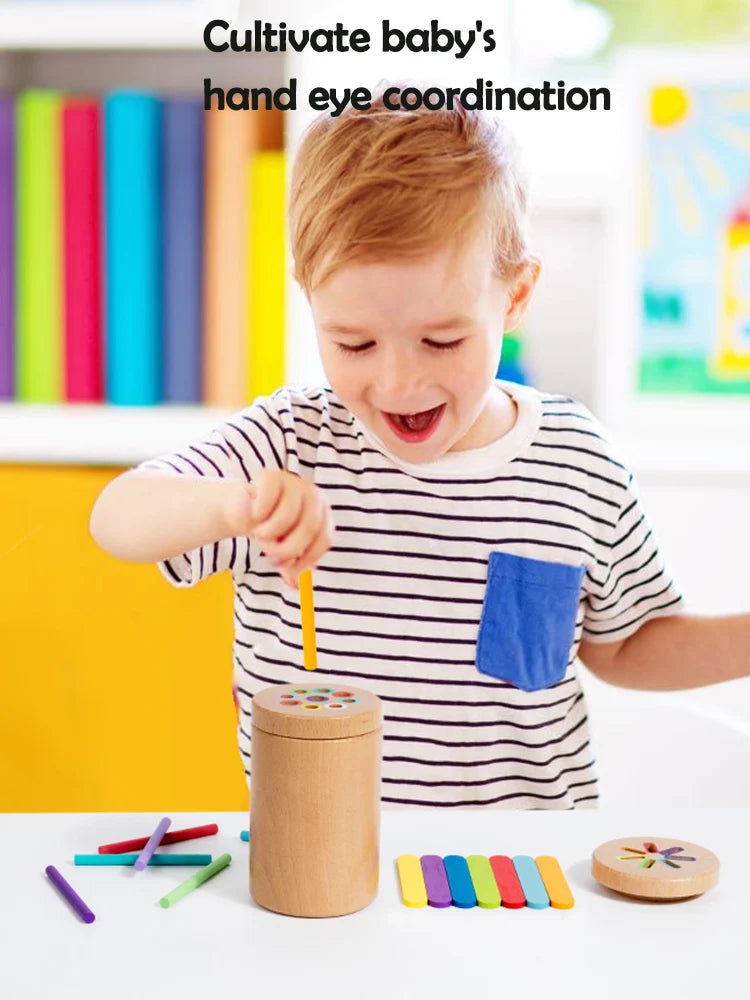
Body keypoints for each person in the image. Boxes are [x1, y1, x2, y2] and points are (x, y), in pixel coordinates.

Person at [90, 85, 750, 809]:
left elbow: (627, 645)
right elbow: (117, 518)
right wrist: (235, 505)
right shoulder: (288, 444)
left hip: (520, 877)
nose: (399, 381)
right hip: (323, 876)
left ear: (517, 295)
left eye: (443, 340)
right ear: (311, 299)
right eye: (354, 342)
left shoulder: (575, 463)